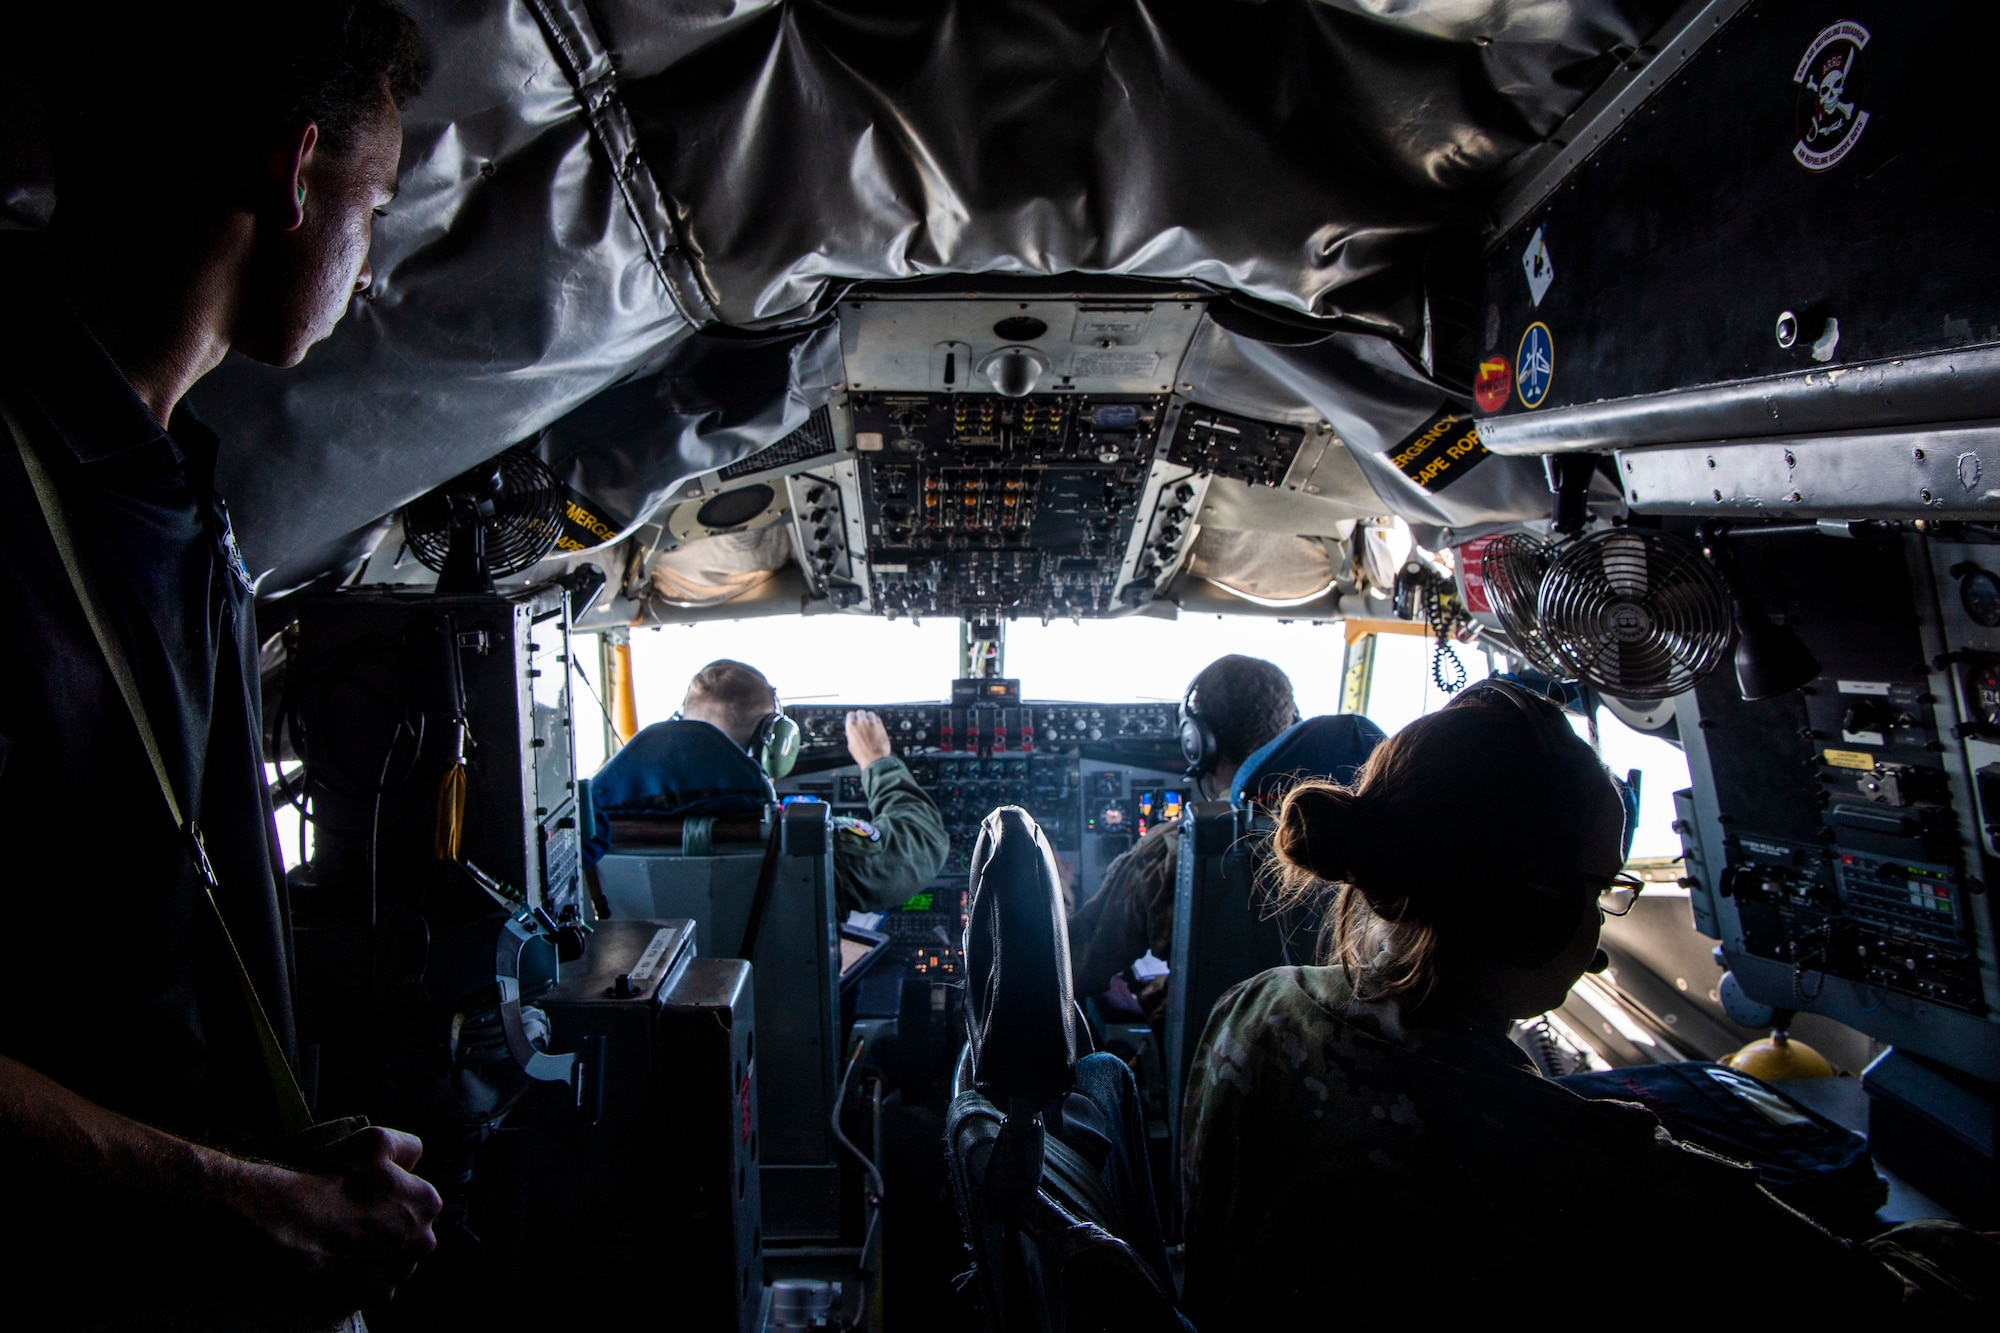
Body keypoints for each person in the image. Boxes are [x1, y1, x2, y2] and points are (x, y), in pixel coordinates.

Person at [0, 4, 440, 1322]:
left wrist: (271, 1163)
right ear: (293, 173)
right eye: (379, 200)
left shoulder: (173, 490)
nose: (370, 271)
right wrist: (244, 1200)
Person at [1179, 680, 1995, 1325]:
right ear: (1528, 909)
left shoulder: (1251, 1014)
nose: (1599, 935)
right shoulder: (1589, 1164)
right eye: (1600, 888)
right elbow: (1897, 1307)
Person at [592, 660, 950, 914]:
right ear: (774, 741)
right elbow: (919, 844)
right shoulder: (801, 841)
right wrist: (877, 761)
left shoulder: (588, 835)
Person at [1067, 654, 1298, 1026]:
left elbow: (1072, 967)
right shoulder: (1346, 834)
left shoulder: (1173, 849)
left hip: (1213, 1072)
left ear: (1198, 741)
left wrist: (1059, 890)